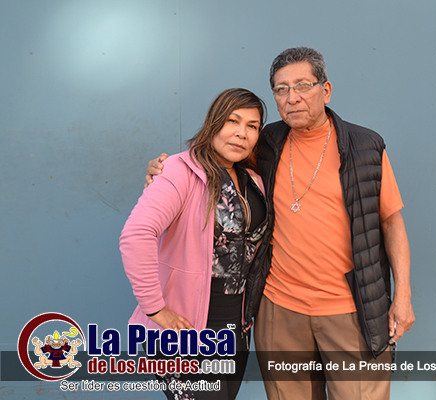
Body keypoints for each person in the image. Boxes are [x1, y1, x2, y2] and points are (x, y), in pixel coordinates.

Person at [146, 47, 415, 399]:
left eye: (303, 85)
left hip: (350, 310)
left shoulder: (365, 148)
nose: (292, 97)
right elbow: (210, 159)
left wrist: (403, 295)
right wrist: (164, 170)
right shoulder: (265, 143)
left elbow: (391, 224)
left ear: (325, 90)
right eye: (281, 89)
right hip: (279, 309)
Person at [121, 88, 268, 400]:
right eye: (233, 121)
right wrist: (156, 309)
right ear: (214, 122)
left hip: (236, 327)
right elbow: (137, 234)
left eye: (252, 126)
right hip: (186, 329)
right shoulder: (180, 170)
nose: (241, 133)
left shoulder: (254, 180)